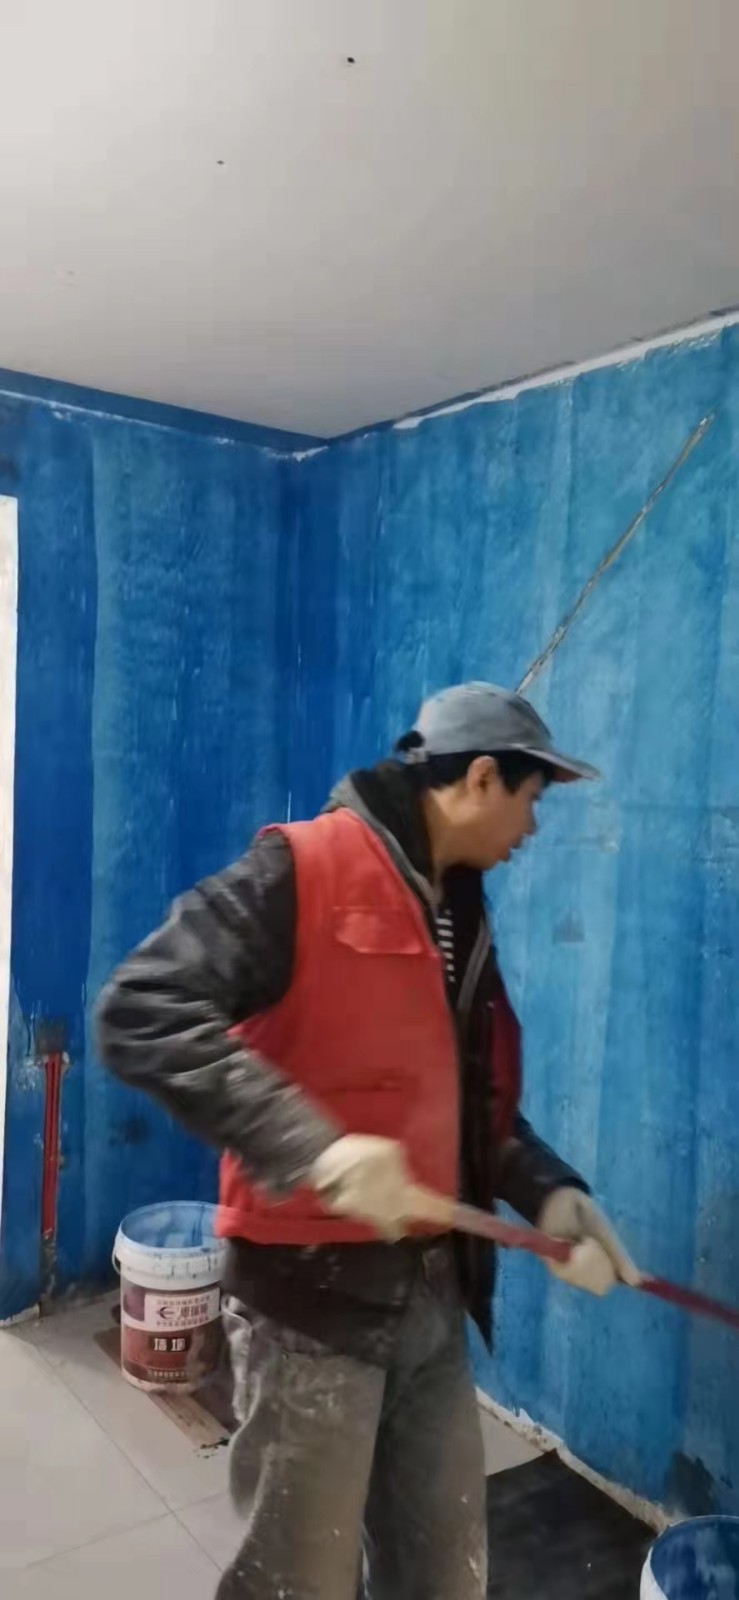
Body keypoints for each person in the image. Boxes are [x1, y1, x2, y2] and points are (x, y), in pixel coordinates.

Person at [96, 682, 639, 1600]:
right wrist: (312, 1148)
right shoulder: (297, 870)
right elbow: (141, 1009)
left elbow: (469, 1100)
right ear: (479, 777)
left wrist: (548, 1190)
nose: (533, 827)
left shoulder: (458, 914)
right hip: (308, 1312)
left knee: (443, 1573)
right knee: (299, 1582)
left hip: (431, 1303)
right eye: (531, 797)